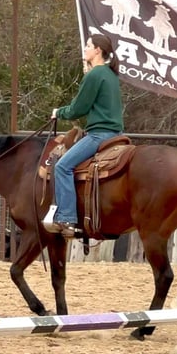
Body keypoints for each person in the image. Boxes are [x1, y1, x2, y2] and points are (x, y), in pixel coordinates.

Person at [45, 34, 124, 237]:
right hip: (116, 134)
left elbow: (78, 109)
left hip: (99, 134)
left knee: (63, 166)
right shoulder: (109, 74)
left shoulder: (95, 75)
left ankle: (67, 218)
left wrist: (58, 112)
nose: (85, 49)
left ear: (98, 50)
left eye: (88, 46)